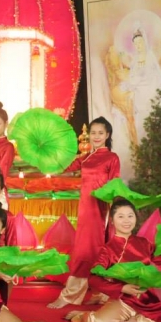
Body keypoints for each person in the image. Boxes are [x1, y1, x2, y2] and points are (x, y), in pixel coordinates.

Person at [65, 198, 161, 322]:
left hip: (147, 301)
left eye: (130, 216)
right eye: (121, 216)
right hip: (123, 300)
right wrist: (122, 288)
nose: (126, 221)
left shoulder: (144, 243)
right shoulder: (107, 250)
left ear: (135, 218)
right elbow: (93, 278)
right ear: (112, 221)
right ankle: (81, 315)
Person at [48, 117, 120, 308]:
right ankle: (100, 293)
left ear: (107, 135)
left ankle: (71, 295)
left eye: (100, 133)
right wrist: (51, 154)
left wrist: (115, 212)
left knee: (87, 248)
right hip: (85, 208)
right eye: (93, 133)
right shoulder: (86, 157)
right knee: (91, 248)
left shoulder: (111, 157)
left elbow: (116, 185)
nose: (96, 136)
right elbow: (64, 167)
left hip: (99, 209)